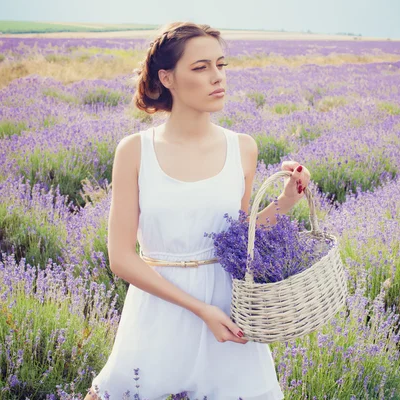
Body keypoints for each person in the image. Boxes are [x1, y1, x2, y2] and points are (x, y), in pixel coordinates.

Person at [85, 21, 311, 400]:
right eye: (200, 67)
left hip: (230, 312)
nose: (216, 77)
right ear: (166, 77)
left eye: (221, 65)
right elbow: (121, 258)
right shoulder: (135, 150)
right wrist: (199, 309)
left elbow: (239, 236)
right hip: (159, 311)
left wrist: (286, 201)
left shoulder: (242, 147)